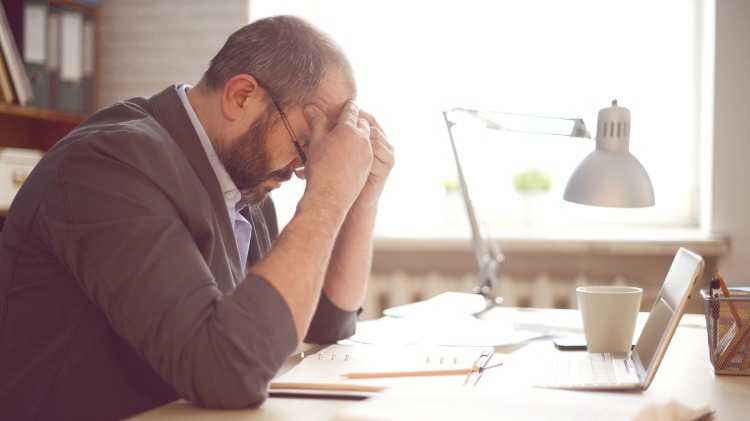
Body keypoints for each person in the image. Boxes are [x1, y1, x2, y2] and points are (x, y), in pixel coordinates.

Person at [0, 15, 394, 420]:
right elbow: (226, 372)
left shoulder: (244, 183)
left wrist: (361, 199)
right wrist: (327, 197)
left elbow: (323, 326)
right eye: (306, 143)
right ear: (241, 96)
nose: (304, 169)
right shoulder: (110, 163)